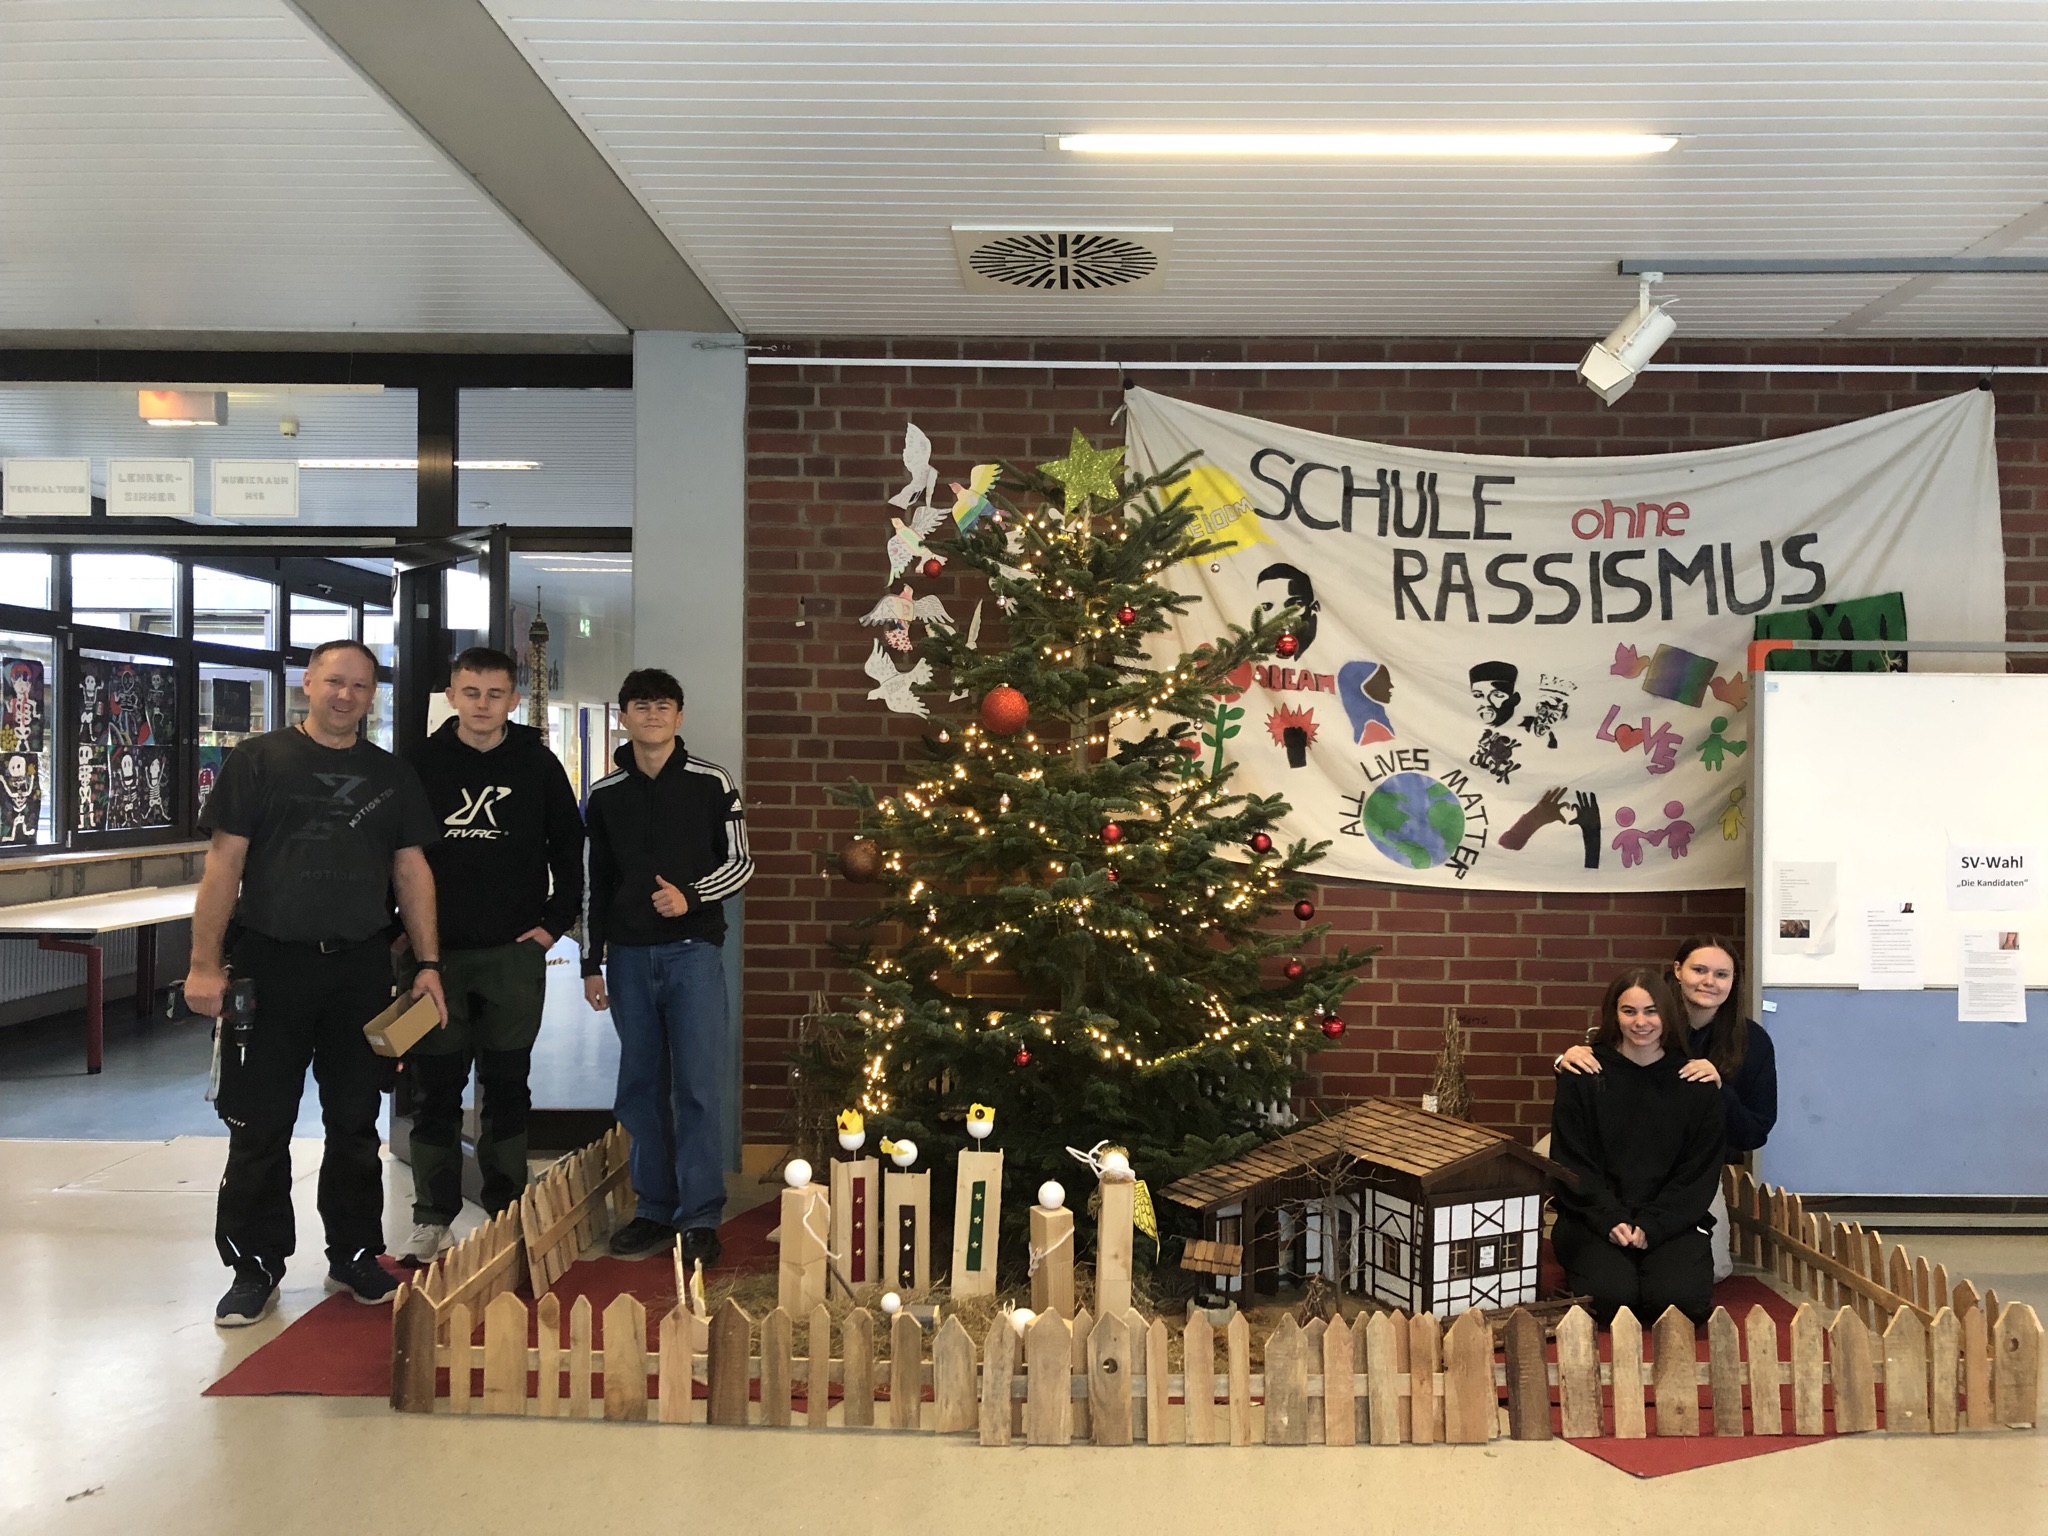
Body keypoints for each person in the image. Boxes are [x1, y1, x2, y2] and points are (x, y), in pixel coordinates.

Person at [187, 639, 446, 1328]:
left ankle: (356, 1252)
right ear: (308, 682)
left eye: (360, 686)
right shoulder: (259, 762)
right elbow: (223, 867)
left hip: (360, 968)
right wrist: (204, 964)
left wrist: (427, 964)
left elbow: (411, 872)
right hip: (269, 967)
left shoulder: (391, 775)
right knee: (260, 1125)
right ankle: (255, 1265)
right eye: (334, 681)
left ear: (372, 695)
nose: (345, 695)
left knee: (356, 1124)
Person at [401, 647, 585, 1263]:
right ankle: (433, 1215)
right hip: (436, 957)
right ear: (453, 695)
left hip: (512, 954)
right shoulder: (420, 762)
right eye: (471, 692)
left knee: (508, 1085)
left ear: (513, 698)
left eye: (495, 694)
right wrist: (399, 933)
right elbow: (392, 853)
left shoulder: (536, 763)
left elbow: (570, 846)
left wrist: (555, 923)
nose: (483, 705)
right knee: (437, 1088)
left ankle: (508, 1206)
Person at [582, 668, 753, 1265]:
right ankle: (653, 1208)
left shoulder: (712, 782)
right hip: (627, 959)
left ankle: (701, 1215)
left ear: (679, 716)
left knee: (700, 1086)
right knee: (641, 1087)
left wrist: (692, 897)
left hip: (694, 955)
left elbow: (741, 862)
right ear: (622, 716)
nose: (651, 715)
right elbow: (594, 884)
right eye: (639, 706)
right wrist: (590, 962)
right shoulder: (604, 795)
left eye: (663, 706)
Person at [1555, 935, 1777, 1280]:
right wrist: (1565, 1059)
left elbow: (1754, 1132)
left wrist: (1720, 1089)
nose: (1709, 981)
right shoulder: (1644, 1020)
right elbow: (1602, 1069)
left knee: (1713, 1272)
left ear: (1735, 982)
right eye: (1699, 969)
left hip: (1690, 1170)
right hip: (1614, 1159)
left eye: (1722, 974)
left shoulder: (1752, 1042)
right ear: (1677, 971)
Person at [1548, 967, 1724, 1327]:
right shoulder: (1583, 1075)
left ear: (1668, 1015)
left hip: (1670, 1220)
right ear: (1614, 1014)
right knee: (1612, 1301)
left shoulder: (1696, 1083)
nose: (1640, 1022)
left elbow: (1697, 1173)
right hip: (1596, 1219)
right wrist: (1610, 1218)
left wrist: (1653, 1225)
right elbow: (1572, 1162)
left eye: (1651, 1011)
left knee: (1676, 1304)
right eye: (1629, 1011)